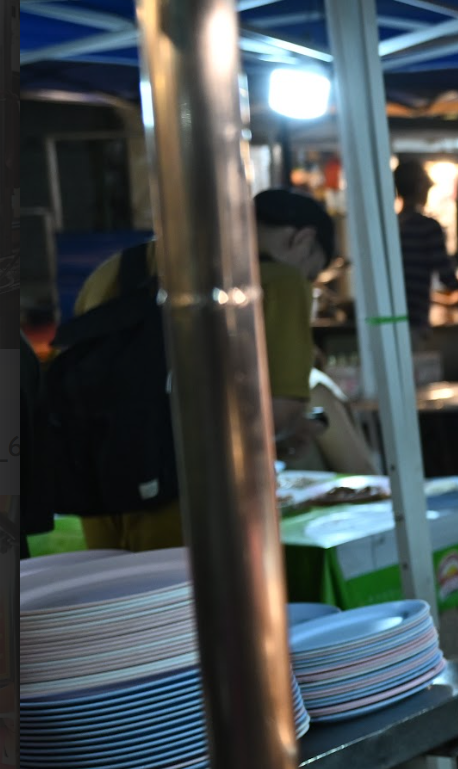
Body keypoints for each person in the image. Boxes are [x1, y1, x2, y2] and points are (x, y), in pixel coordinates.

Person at [61, 189, 328, 549]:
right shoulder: (278, 281)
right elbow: (276, 416)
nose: (305, 282)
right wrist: (303, 425)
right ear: (304, 239)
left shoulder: (113, 270)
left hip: (101, 501)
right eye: (311, 272)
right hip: (196, 510)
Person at [393, 158, 458, 330]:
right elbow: (447, 275)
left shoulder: (392, 226)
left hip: (392, 319)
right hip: (415, 320)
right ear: (419, 188)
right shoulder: (427, 227)